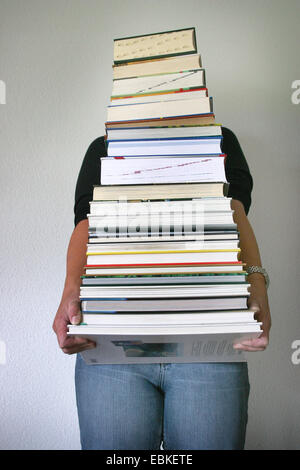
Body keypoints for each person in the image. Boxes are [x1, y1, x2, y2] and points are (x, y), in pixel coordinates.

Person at [53, 127, 271, 450]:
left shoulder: (221, 141)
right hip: (113, 346)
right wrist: (70, 291)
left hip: (208, 344)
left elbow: (234, 211)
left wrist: (257, 286)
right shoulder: (104, 148)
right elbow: (86, 221)